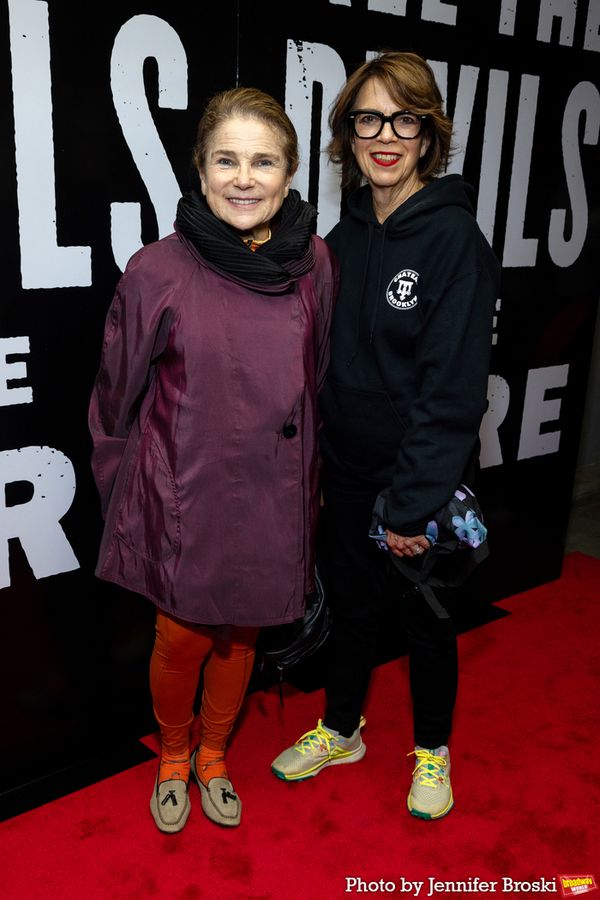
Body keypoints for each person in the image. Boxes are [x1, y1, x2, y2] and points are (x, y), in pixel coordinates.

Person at [88, 87, 338, 833]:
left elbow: (315, 378)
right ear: (199, 172)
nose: (244, 178)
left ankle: (215, 755)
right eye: (226, 159)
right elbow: (114, 399)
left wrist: (307, 491)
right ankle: (172, 755)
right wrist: (130, 508)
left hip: (274, 488)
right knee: (183, 636)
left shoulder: (315, 261)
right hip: (184, 491)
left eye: (263, 161)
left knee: (245, 631)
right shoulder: (157, 269)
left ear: (290, 174)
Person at [271, 51, 500, 820]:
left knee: (426, 621)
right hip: (349, 467)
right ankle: (343, 727)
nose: (385, 135)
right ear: (349, 135)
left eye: (405, 118)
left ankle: (433, 750)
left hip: (416, 483)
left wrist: (411, 505)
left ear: (429, 135)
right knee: (353, 609)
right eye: (368, 118)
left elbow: (454, 390)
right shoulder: (345, 236)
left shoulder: (454, 241)